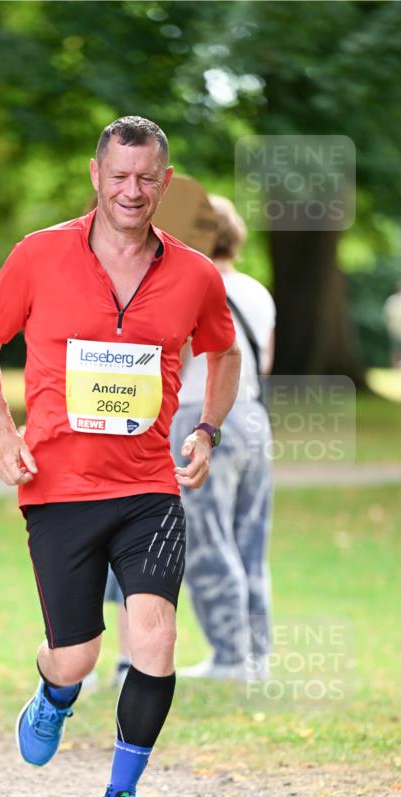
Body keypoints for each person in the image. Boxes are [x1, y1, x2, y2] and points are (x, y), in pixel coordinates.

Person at [0, 116, 240, 797]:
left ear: (166, 183)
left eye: (147, 177)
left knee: (153, 635)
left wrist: (206, 430)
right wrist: (1, 432)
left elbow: (224, 353)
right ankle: (54, 692)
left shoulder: (194, 274)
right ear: (95, 175)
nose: (132, 190)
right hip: (56, 485)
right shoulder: (39, 255)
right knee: (78, 655)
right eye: (118, 175)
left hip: (150, 485)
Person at [170, 194, 275, 681]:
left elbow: (184, 357)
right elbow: (265, 361)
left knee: (208, 539)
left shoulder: (192, 285)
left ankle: (231, 658)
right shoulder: (258, 291)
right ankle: (256, 654)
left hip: (203, 416)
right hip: (253, 416)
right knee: (250, 540)